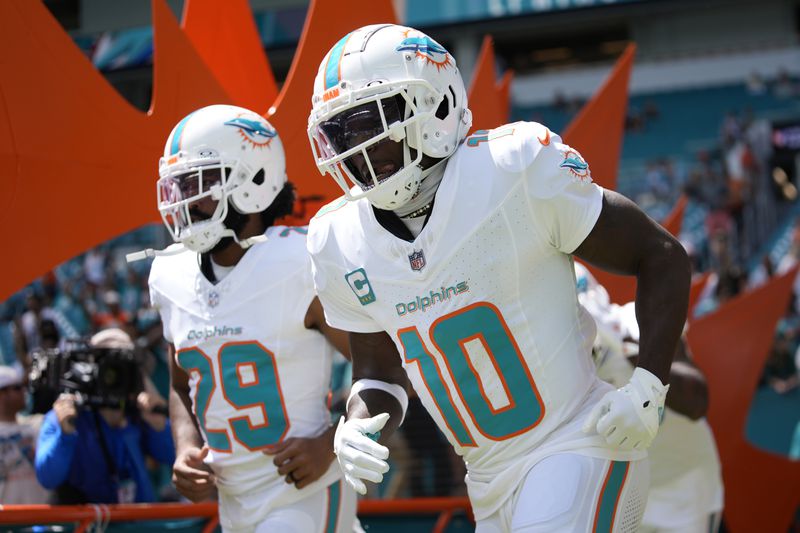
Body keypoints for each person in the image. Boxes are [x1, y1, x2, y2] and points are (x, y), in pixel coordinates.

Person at [305, 24, 691, 532]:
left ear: (434, 107)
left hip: (577, 441)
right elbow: (379, 371)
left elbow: (660, 254)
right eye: (341, 133)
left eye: (370, 123)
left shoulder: (513, 169)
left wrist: (649, 385)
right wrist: (355, 422)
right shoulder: (338, 239)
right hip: (486, 480)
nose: (356, 149)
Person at [145, 104, 358, 532]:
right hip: (233, 501)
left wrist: (334, 442)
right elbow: (180, 380)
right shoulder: (170, 274)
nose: (187, 203)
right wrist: (186, 446)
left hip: (306, 492)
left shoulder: (301, 261)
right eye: (179, 187)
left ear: (255, 181)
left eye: (200, 186)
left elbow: (390, 365)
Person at [576, 263, 724, 533]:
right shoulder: (559, 366)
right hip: (624, 497)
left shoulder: (633, 321)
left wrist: (641, 358)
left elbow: (697, 401)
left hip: (685, 486)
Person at [34, 328, 174, 504]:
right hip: (88, 526)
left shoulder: (139, 414)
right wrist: (65, 435)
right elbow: (47, 478)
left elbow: (173, 457)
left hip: (139, 525)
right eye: (108, 365)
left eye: (125, 366)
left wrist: (160, 426)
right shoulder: (66, 415)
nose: (116, 374)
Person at [0, 365, 50, 503]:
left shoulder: (40, 423)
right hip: (5, 521)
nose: (24, 391)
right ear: (1, 394)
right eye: (17, 388)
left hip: (42, 519)